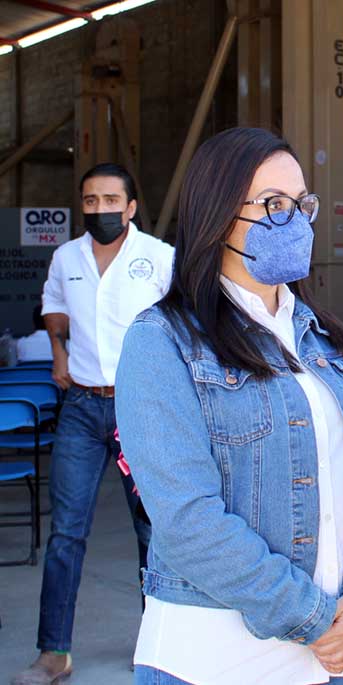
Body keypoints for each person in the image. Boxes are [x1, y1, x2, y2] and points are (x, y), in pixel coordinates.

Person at [115, 127, 343, 685]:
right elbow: (187, 519)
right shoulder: (161, 342)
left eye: (300, 204)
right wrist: (314, 617)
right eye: (272, 204)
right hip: (214, 657)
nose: (293, 219)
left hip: (334, 655)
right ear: (218, 214)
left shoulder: (322, 340)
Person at [12, 163, 173, 685]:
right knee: (66, 533)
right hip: (81, 408)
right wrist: (58, 349)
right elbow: (53, 307)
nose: (99, 209)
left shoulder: (160, 259)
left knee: (153, 530)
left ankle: (157, 647)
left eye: (110, 200)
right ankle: (53, 652)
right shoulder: (66, 257)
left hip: (139, 409)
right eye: (90, 200)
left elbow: (184, 326)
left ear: (130, 207)